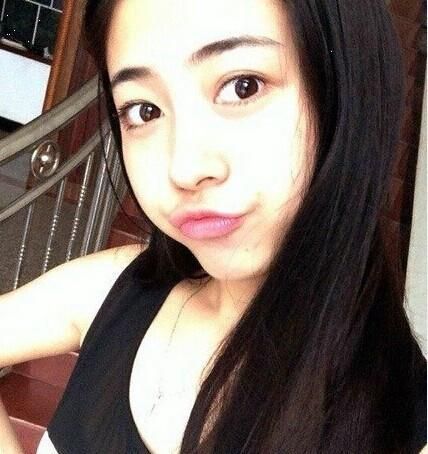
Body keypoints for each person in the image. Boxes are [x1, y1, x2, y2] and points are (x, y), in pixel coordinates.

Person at [0, 0, 426, 452]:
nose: (184, 168)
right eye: (144, 110)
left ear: (346, 92)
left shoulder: (404, 426)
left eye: (243, 87)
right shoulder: (111, 288)